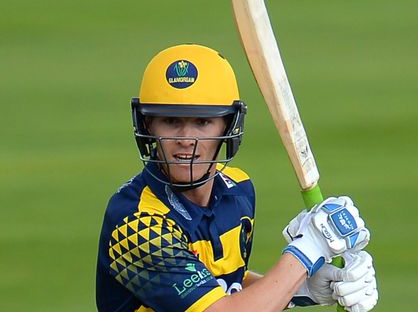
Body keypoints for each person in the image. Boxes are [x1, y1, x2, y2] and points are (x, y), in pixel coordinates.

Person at [95, 44, 378, 312]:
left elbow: (219, 284)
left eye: (202, 122)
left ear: (228, 126)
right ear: (148, 125)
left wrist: (301, 289)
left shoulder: (238, 191)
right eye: (170, 121)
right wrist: (305, 252)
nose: (185, 139)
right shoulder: (135, 223)